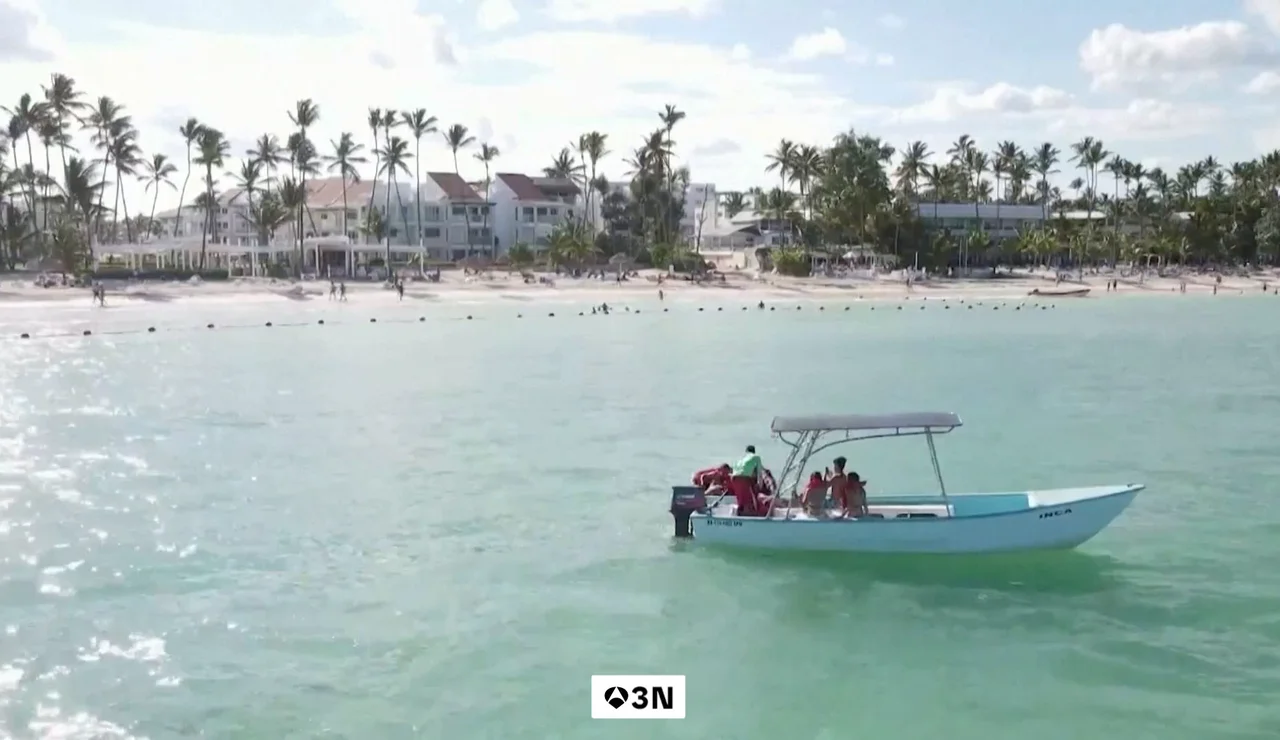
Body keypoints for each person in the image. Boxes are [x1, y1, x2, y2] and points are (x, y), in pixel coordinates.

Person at [728, 444, 763, 516]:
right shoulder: (756, 457)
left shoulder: (741, 458)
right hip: (743, 478)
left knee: (741, 500)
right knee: (748, 501)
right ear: (754, 451)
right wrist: (760, 485)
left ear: (746, 451)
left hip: (733, 478)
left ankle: (740, 512)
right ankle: (749, 515)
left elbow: (735, 470)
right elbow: (759, 472)